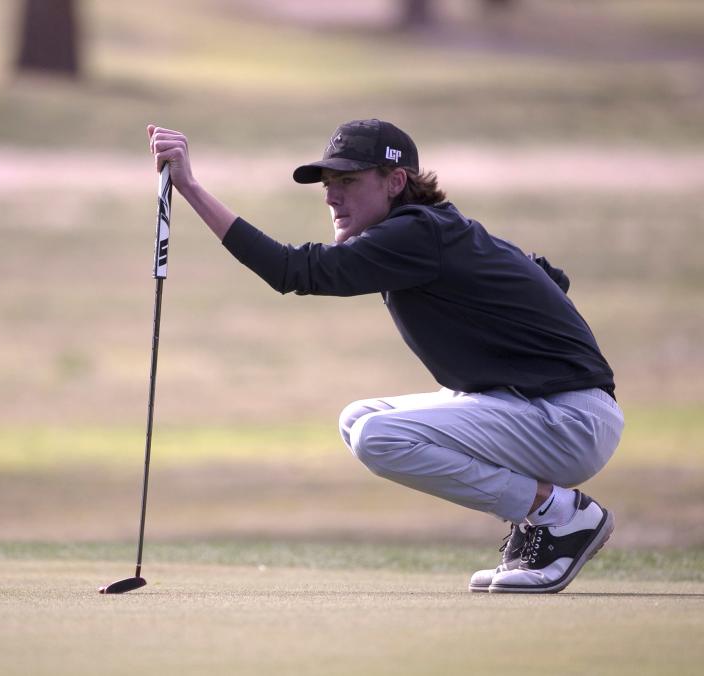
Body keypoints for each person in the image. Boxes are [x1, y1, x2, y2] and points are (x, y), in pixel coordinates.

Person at [147, 119, 624, 593]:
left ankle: (560, 515)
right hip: (541, 409)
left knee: (379, 436)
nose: (332, 196)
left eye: (349, 181)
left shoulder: (415, 233)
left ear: (396, 182)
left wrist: (189, 186)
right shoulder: (435, 231)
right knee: (359, 419)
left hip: (568, 422)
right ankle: (541, 517)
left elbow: (294, 270)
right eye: (329, 184)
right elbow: (550, 276)